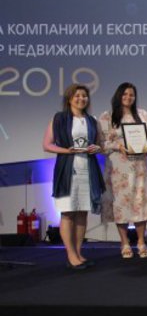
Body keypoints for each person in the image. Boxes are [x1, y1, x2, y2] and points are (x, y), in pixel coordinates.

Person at [42, 84, 105, 270]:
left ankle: (78, 253)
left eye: (84, 95)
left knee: (82, 213)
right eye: (77, 95)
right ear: (69, 99)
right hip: (67, 170)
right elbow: (47, 145)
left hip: (88, 170)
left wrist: (97, 148)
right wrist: (67, 151)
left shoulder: (92, 120)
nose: (81, 99)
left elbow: (99, 144)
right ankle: (71, 255)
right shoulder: (59, 118)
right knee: (68, 213)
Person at [98, 82, 147, 259]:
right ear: (118, 96)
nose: (128, 97)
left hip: (139, 167)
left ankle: (141, 242)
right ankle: (124, 243)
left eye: (131, 94)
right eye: (125, 94)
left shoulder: (143, 114)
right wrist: (118, 146)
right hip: (118, 168)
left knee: (140, 203)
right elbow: (101, 144)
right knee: (120, 205)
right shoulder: (107, 117)